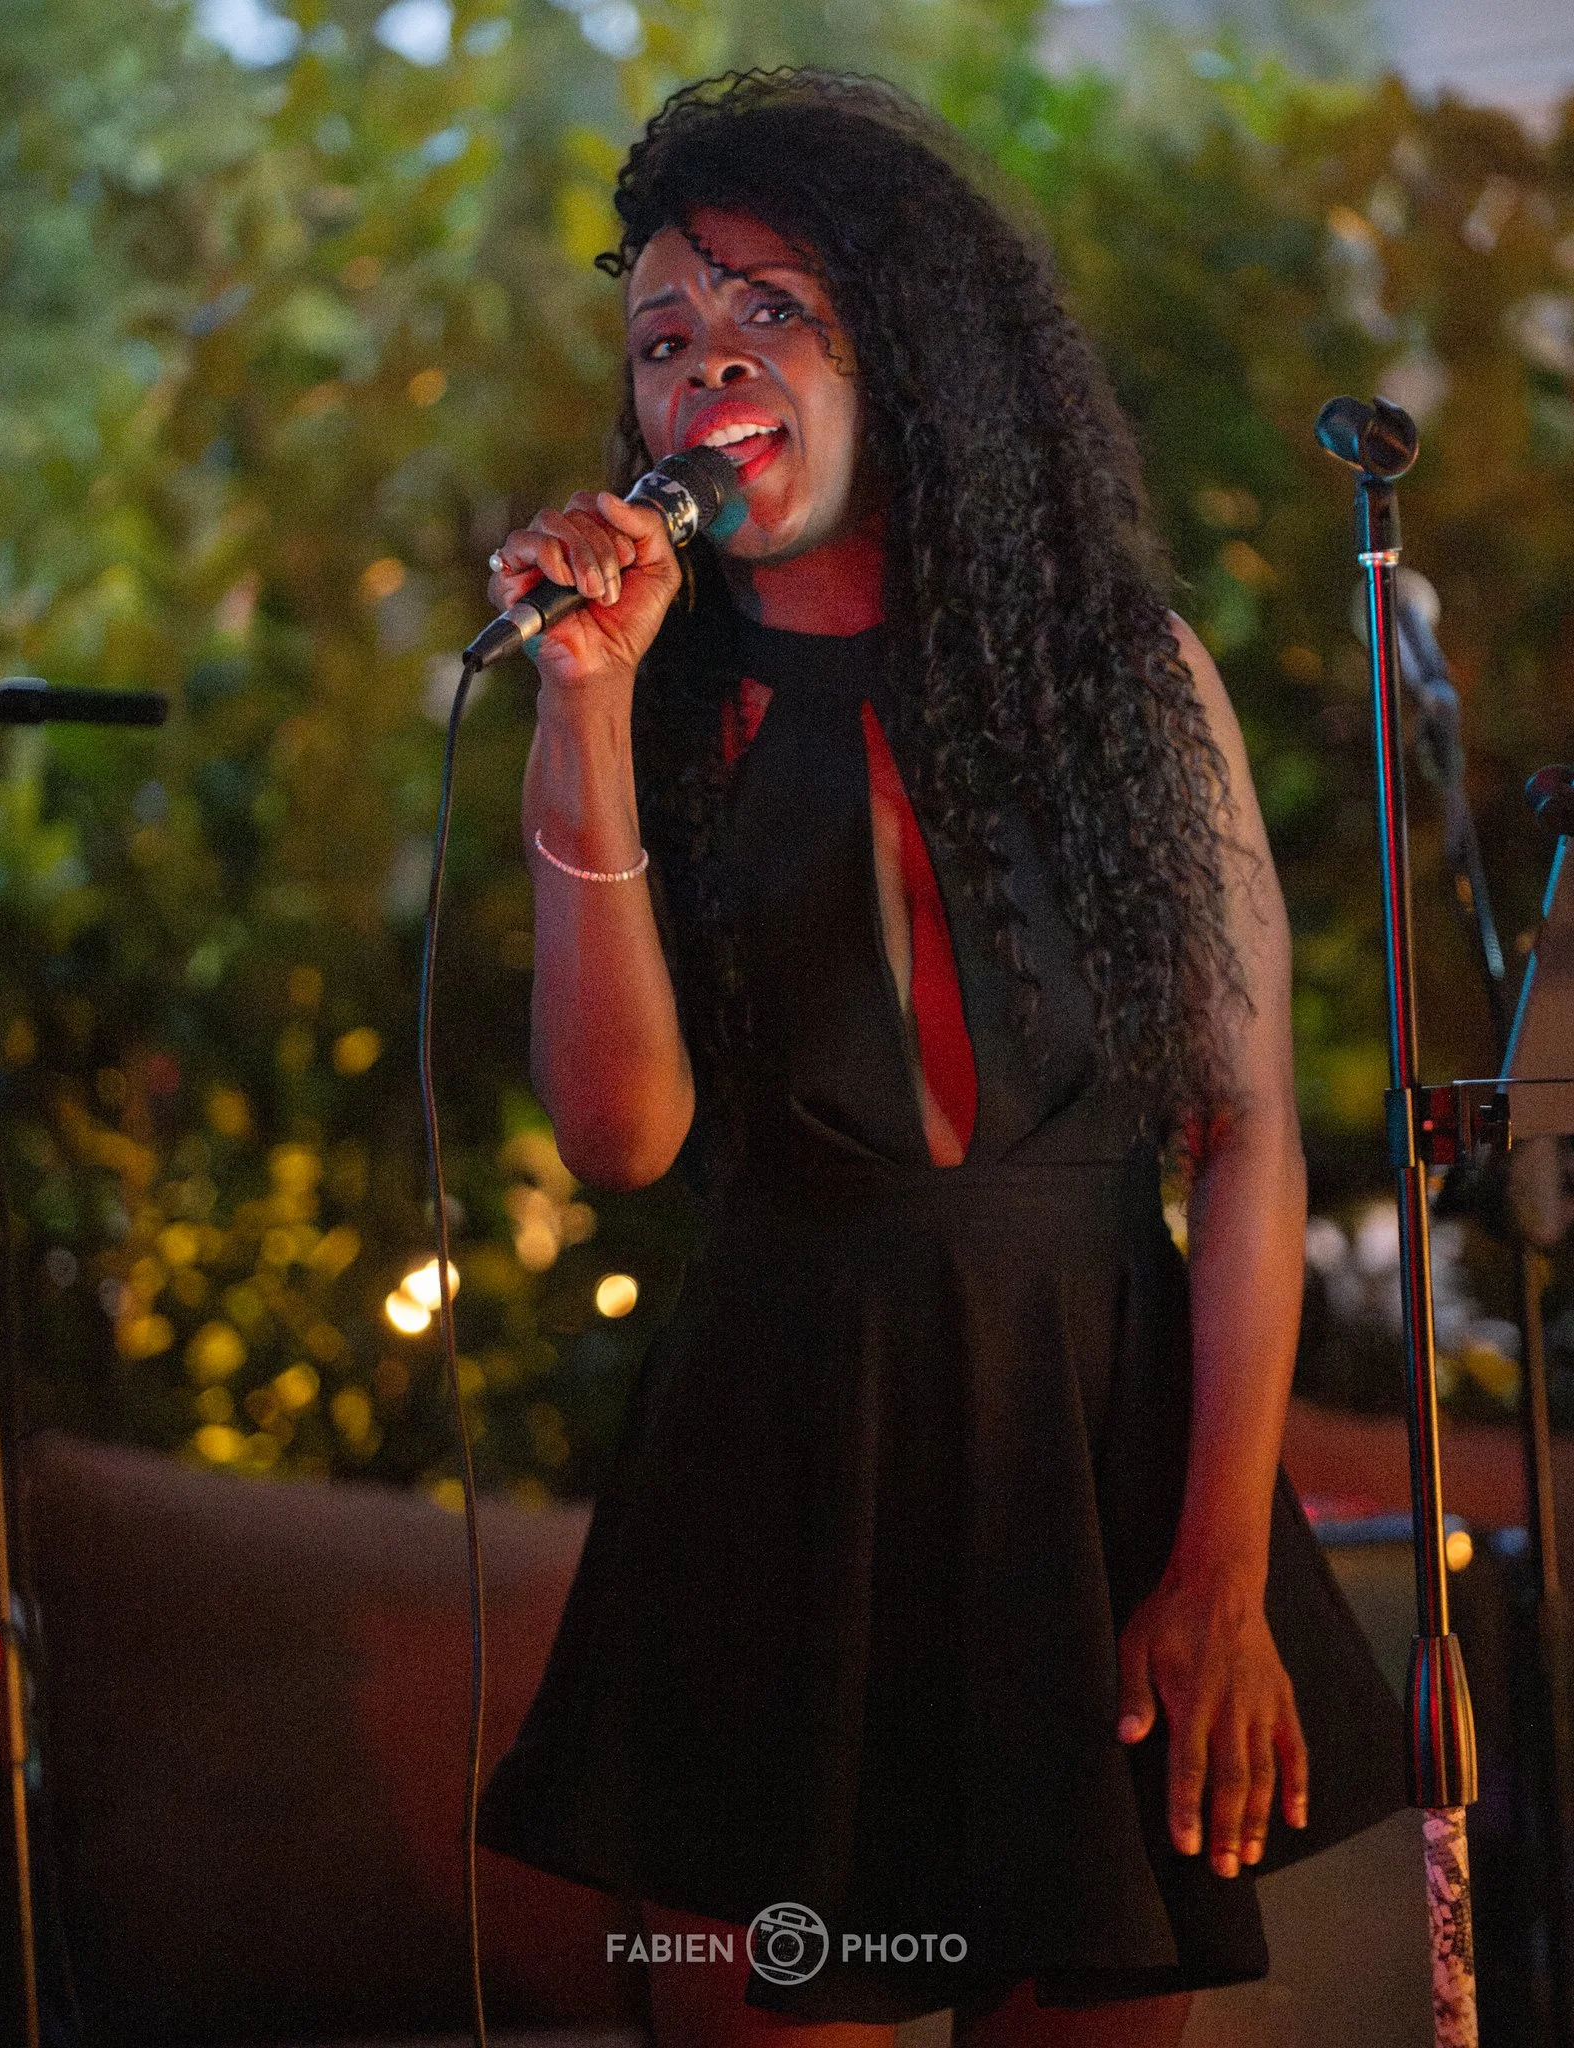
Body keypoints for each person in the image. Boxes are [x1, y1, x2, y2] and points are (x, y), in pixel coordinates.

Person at [475, 69, 1405, 2048]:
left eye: (770, 314)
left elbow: (1245, 1142)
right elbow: (619, 1138)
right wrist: (581, 715)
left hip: (1096, 1476)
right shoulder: (648, 708)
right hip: (782, 1481)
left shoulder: (1120, 679)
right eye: (663, 337)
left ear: (909, 352)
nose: (706, 365)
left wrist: (1218, 1570)